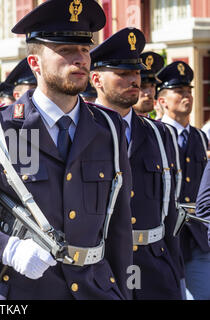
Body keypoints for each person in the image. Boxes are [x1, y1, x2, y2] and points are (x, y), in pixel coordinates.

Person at [0, 0, 133, 300]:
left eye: (84, 50)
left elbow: (119, 229)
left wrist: (124, 293)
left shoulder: (108, 128)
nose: (80, 59)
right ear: (35, 64)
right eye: (65, 51)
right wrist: (6, 249)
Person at [90, 27, 182, 300]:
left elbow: (171, 210)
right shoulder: (81, 131)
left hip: (153, 266)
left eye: (136, 73)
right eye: (122, 73)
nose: (135, 81)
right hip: (100, 267)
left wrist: (175, 270)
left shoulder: (159, 133)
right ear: (96, 79)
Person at [158, 61, 210, 300]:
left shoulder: (200, 137)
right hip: (166, 238)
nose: (186, 96)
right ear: (163, 101)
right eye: (179, 92)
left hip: (197, 237)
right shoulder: (155, 134)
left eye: (188, 90)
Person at [132, 52, 164, 117]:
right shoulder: (118, 125)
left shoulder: (157, 127)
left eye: (152, 86)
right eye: (142, 86)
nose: (149, 93)